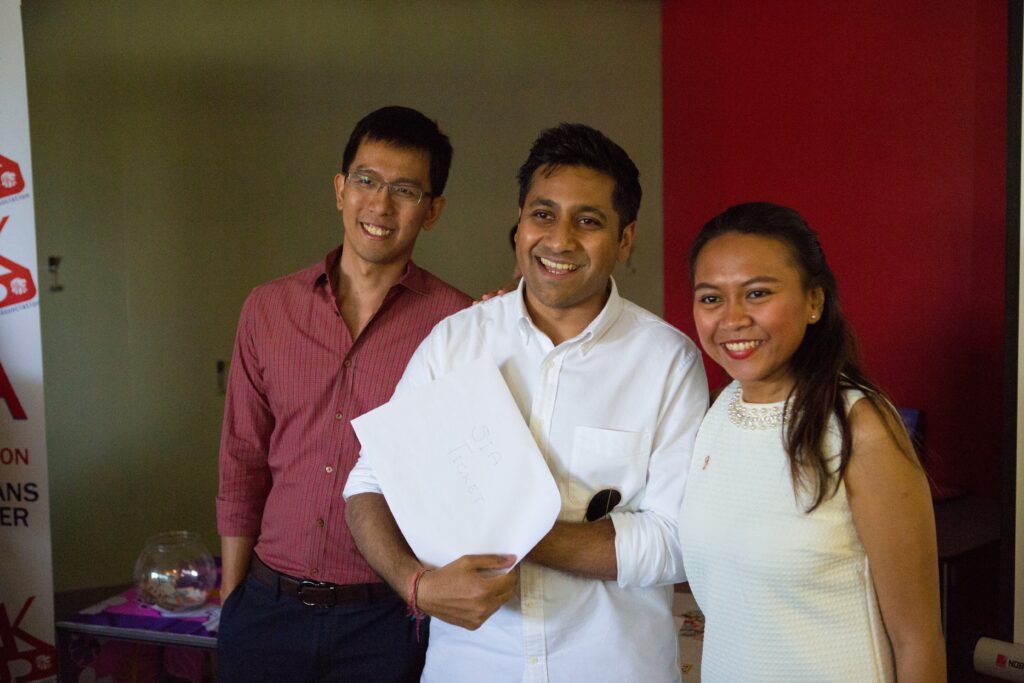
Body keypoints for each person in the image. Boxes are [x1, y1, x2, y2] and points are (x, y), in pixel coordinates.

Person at [344, 123, 709, 682]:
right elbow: (369, 482)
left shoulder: (667, 362)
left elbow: (675, 540)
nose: (559, 240)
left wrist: (513, 531)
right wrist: (415, 585)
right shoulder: (456, 341)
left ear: (625, 239)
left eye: (588, 221)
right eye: (543, 214)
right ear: (519, 225)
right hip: (470, 669)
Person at [216, 106, 472, 682]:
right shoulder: (268, 309)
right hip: (266, 610)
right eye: (366, 180)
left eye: (405, 190)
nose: (380, 205)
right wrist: (234, 606)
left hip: (386, 622)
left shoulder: (457, 326)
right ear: (339, 189)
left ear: (432, 211)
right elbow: (241, 460)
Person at [678, 202, 946, 682]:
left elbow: (918, 641)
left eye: (757, 293)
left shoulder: (860, 428)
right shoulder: (718, 412)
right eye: (712, 298)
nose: (732, 318)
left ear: (814, 301)